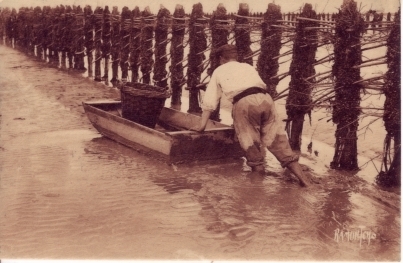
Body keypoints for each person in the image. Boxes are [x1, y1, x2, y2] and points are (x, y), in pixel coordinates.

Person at [192, 44, 316, 187]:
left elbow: (210, 101)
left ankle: (256, 190)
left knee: (251, 145)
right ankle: (305, 181)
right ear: (236, 57)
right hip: (265, 99)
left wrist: (202, 125)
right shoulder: (247, 67)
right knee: (278, 141)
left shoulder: (219, 71)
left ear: (221, 59)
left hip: (245, 103)